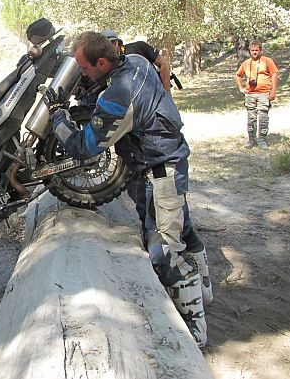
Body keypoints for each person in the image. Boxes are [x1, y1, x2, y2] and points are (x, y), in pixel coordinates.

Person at [44, 32, 210, 347]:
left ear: (101, 62)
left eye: (84, 68)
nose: (83, 74)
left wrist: (58, 117)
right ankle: (204, 291)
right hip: (160, 161)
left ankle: (196, 331)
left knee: (164, 250)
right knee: (176, 226)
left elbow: (83, 148)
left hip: (161, 170)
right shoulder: (135, 60)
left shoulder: (118, 95)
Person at [235, 40, 278, 149]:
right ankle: (251, 139)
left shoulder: (267, 61)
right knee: (251, 117)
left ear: (260, 50)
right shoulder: (246, 63)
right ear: (250, 51)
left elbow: (274, 75)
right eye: (252, 50)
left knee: (263, 117)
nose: (254, 52)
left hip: (264, 93)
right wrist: (241, 88)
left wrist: (273, 91)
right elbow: (238, 75)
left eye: (256, 50)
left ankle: (262, 140)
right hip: (250, 94)